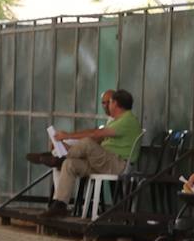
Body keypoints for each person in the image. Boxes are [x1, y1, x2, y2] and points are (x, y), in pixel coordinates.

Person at [39, 88, 141, 217]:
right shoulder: (117, 121)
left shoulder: (127, 120)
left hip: (117, 164)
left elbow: (95, 134)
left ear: (115, 103)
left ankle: (60, 157)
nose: (107, 105)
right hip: (104, 163)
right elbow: (97, 138)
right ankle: (60, 204)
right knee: (70, 164)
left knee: (87, 143)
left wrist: (68, 135)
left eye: (109, 102)